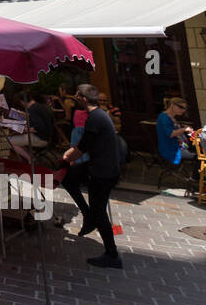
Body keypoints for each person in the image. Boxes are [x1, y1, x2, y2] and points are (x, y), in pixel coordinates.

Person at [61, 84, 126, 268]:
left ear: (82, 97)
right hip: (99, 166)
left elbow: (82, 147)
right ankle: (87, 213)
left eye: (76, 96)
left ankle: (112, 255)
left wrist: (68, 156)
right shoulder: (99, 116)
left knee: (99, 212)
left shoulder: (95, 119)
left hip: (103, 171)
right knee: (68, 178)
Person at [12, 91, 56, 164]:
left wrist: (25, 130)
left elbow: (39, 127)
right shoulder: (39, 106)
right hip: (48, 137)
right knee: (18, 140)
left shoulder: (32, 109)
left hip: (41, 138)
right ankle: (31, 157)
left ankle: (31, 159)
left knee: (9, 142)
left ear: (23, 102)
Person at [156, 96, 193, 165]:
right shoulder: (164, 118)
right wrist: (184, 129)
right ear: (172, 105)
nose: (183, 110)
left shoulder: (171, 117)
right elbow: (171, 134)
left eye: (185, 108)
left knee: (201, 152)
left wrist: (183, 128)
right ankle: (197, 175)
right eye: (181, 107)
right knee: (200, 156)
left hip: (180, 146)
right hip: (172, 150)